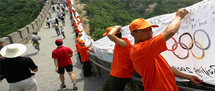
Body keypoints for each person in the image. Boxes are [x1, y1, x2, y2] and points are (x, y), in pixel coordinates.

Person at [129, 9, 202, 91]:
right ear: (133, 34)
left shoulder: (150, 51)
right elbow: (171, 31)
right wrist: (178, 17)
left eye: (150, 29)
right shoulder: (140, 49)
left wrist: (188, 76)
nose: (149, 33)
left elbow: (167, 68)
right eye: (144, 30)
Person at [102, 26, 134, 91]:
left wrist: (117, 27)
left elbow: (110, 35)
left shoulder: (124, 42)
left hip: (120, 75)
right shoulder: (119, 44)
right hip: (115, 74)